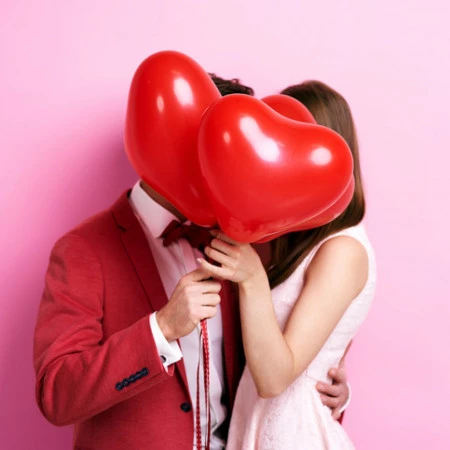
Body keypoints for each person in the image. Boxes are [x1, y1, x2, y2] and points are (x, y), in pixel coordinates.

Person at [33, 76, 350, 450]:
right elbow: (57, 394)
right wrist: (162, 327)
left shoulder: (239, 242)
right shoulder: (83, 250)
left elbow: (272, 357)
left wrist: (325, 388)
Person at [198, 80, 376, 449]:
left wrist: (252, 278)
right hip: (258, 427)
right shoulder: (292, 239)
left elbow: (275, 379)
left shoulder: (344, 250)